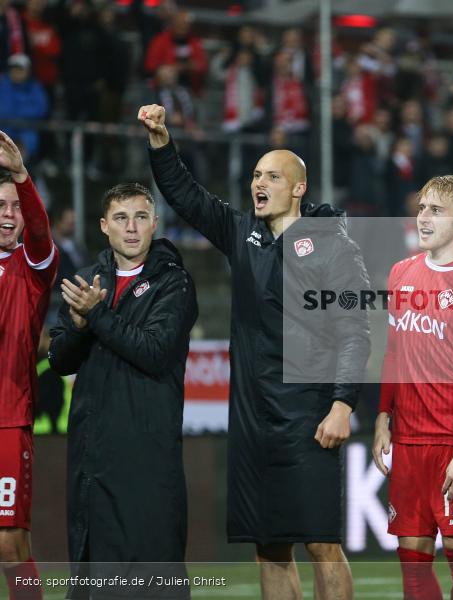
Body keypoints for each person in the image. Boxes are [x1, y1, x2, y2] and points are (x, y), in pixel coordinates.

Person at [137, 103, 371, 600]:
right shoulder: (243, 234)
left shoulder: (334, 247)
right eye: (256, 175)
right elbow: (187, 196)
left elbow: (356, 331)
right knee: (269, 548)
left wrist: (342, 403)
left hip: (309, 413)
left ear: (299, 189)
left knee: (322, 544)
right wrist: (161, 141)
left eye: (272, 176)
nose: (258, 183)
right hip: (252, 417)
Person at [48, 183, 197, 599]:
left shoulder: (174, 283)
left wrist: (96, 314)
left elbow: (153, 352)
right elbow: (59, 359)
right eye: (121, 218)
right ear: (104, 226)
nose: (131, 228)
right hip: (91, 456)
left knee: (152, 580)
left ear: (154, 224)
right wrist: (79, 328)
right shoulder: (85, 280)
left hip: (146, 455)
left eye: (140, 217)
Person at [373, 175, 453, 600]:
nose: (424, 218)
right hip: (409, 440)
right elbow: (393, 353)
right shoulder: (401, 273)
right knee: (413, 569)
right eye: (422, 208)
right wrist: (383, 416)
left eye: (437, 210)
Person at [0, 131, 55, 600]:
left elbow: (39, 231)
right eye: (0, 205)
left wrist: (21, 175)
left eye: (15, 206)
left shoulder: (32, 264)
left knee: (8, 543)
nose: (8, 213)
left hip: (7, 418)